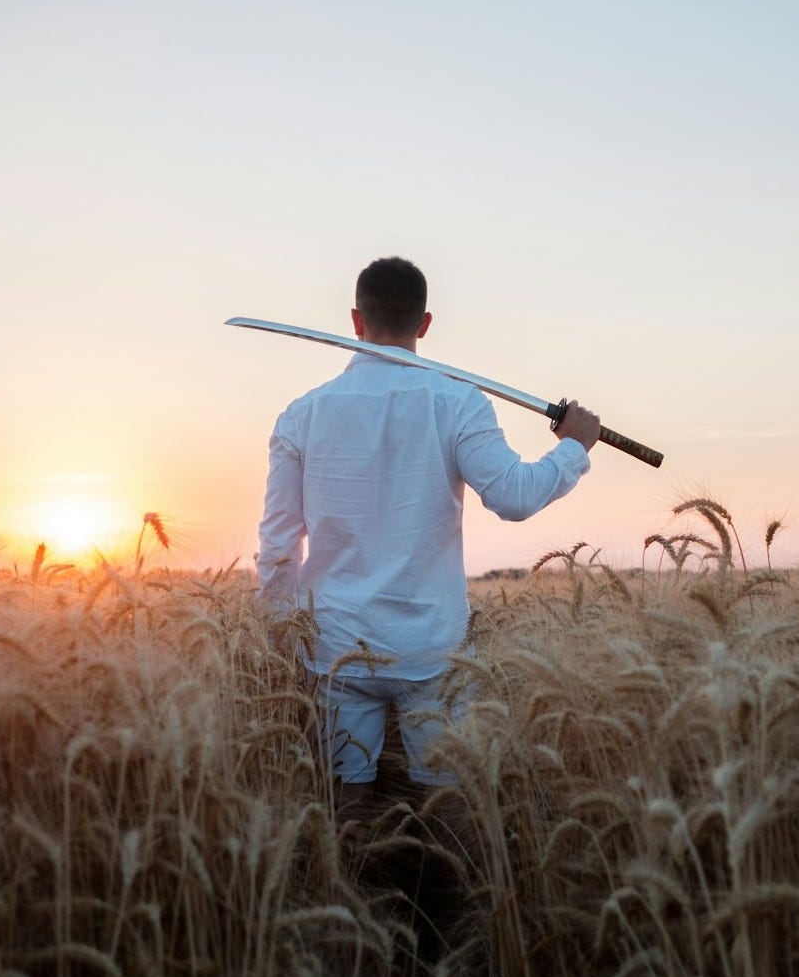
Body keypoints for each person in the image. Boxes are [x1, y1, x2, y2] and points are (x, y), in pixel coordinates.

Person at [257, 257, 600, 805]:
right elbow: (514, 495)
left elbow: (278, 542)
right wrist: (573, 447)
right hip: (432, 649)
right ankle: (449, 865)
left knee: (346, 803)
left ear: (355, 319)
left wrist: (280, 634)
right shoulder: (458, 401)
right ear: (425, 323)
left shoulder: (302, 415)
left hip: (336, 646)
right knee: (448, 802)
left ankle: (353, 863)